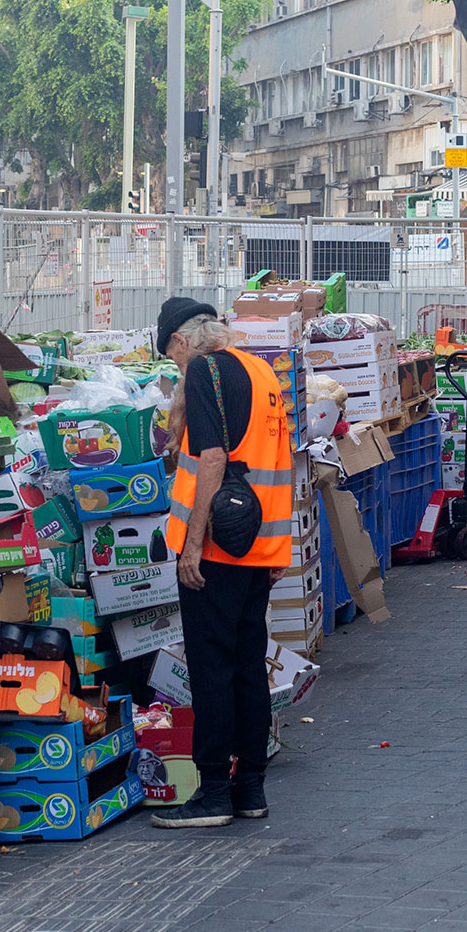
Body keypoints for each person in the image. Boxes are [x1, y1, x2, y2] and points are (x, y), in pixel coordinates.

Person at [151, 297, 294, 829]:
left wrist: (190, 545)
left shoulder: (207, 371)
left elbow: (212, 460)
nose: (175, 367)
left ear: (182, 342)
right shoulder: (262, 372)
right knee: (247, 664)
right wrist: (277, 546)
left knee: (211, 666)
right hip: (257, 541)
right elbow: (278, 457)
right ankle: (249, 787)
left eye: (172, 357)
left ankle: (213, 790)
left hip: (215, 546)